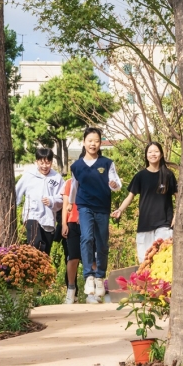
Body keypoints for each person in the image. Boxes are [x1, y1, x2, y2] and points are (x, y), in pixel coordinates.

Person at [69, 127, 122, 303]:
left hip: (102, 207)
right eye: (90, 140)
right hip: (84, 206)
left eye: (96, 141)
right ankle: (89, 277)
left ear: (100, 143)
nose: (93, 144)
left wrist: (113, 184)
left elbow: (117, 184)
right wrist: (70, 203)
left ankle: (100, 277)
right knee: (86, 238)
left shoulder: (107, 163)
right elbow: (74, 187)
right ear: (84, 142)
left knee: (102, 243)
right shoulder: (76, 166)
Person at [111, 142, 177, 263]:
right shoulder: (140, 176)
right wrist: (120, 210)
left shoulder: (168, 175)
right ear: (146, 155)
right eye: (150, 152)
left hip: (164, 224)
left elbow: (179, 197)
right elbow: (130, 197)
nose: (153, 154)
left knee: (163, 260)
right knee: (145, 262)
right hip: (145, 225)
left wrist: (177, 216)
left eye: (156, 151)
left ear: (161, 154)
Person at [16, 148, 64, 256]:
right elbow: (17, 193)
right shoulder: (29, 175)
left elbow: (62, 198)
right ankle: (32, 265)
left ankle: (41, 272)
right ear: (36, 161)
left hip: (48, 218)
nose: (44, 166)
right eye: (41, 163)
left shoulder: (57, 178)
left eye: (48, 163)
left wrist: (52, 201)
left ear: (52, 162)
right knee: (35, 244)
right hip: (32, 215)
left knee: (45, 252)